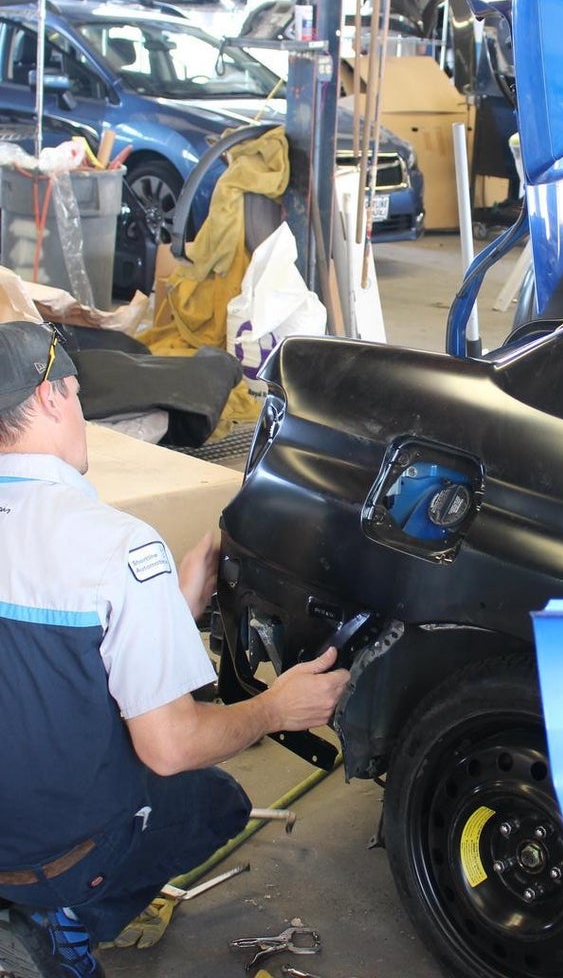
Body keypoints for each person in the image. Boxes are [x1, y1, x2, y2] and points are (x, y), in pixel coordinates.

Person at [0, 321, 350, 978]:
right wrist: (276, 707)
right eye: (77, 394)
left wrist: (170, 607)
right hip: (45, 853)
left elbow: (36, 665)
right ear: (52, 396)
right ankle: (64, 920)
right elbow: (170, 747)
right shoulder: (115, 546)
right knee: (213, 802)